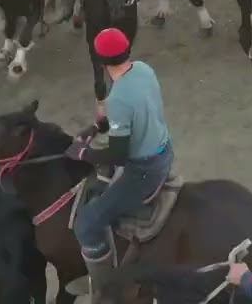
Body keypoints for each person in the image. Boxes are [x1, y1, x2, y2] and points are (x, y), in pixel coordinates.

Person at [65, 28, 174, 302]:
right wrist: (96, 126)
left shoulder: (117, 99)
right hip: (164, 149)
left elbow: (117, 155)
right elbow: (132, 112)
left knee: (87, 223)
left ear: (101, 62)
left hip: (144, 170)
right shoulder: (143, 69)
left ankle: (105, 287)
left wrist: (83, 153)